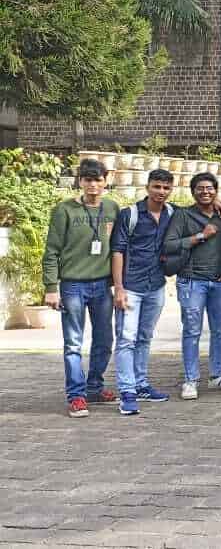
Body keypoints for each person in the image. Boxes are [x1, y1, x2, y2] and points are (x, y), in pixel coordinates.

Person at [44, 159, 120, 417]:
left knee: (104, 340)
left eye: (98, 180)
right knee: (73, 343)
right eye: (88, 180)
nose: (93, 185)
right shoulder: (64, 210)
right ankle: (76, 395)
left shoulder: (112, 208)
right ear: (80, 181)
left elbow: (120, 246)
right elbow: (51, 251)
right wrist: (51, 287)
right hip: (73, 285)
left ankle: (94, 388)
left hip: (102, 285)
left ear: (106, 181)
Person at [165, 172, 221, 400]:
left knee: (220, 330)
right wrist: (200, 236)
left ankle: (217, 375)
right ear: (192, 192)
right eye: (200, 188)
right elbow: (169, 245)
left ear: (216, 191)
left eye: (209, 188)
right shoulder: (182, 215)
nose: (205, 192)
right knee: (192, 331)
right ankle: (191, 379)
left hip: (220, 281)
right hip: (191, 281)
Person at [111, 169, 176, 415]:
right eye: (157, 186)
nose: (161, 192)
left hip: (156, 286)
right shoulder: (130, 214)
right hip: (131, 287)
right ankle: (127, 392)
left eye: (166, 188)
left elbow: (200, 210)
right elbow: (117, 251)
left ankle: (140, 384)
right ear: (147, 187)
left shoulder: (172, 213)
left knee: (145, 337)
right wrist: (119, 288)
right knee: (126, 339)